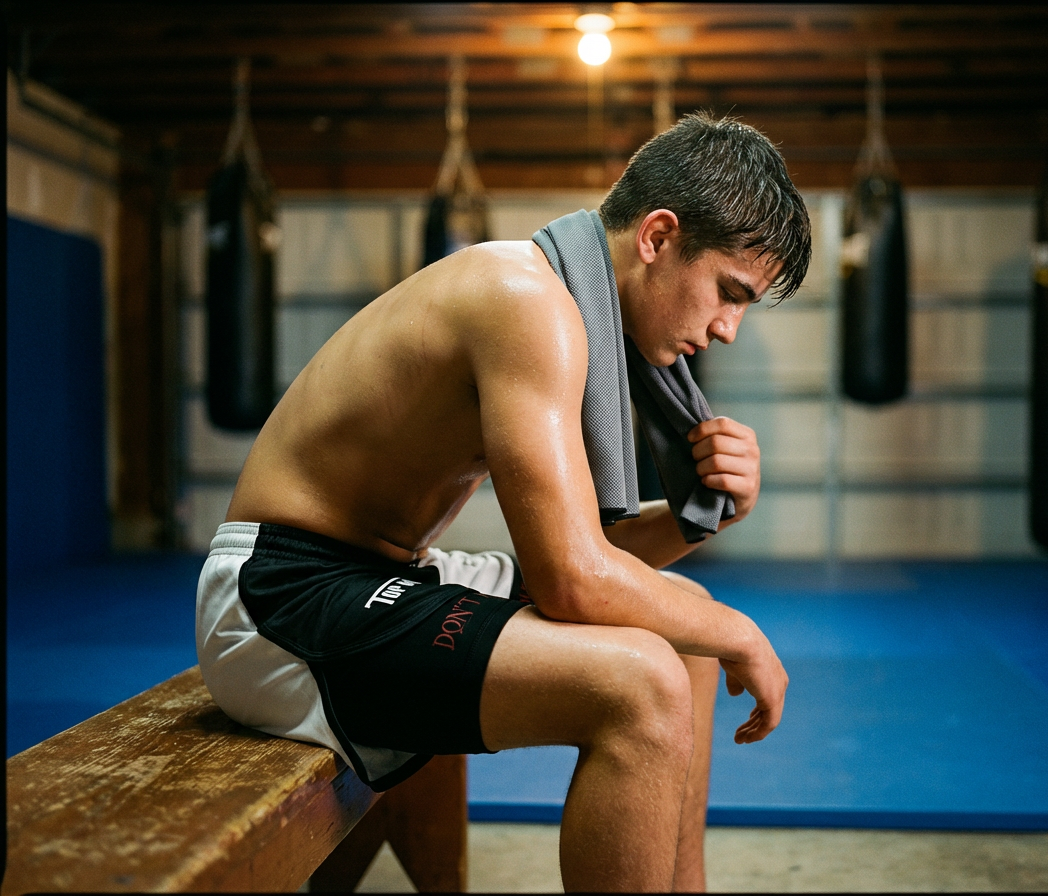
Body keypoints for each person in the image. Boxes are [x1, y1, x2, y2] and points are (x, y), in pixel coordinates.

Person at [196, 112, 811, 892]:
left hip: (383, 580)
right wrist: (744, 633)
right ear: (658, 236)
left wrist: (715, 512)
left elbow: (584, 562)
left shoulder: (556, 296)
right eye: (730, 292)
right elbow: (572, 582)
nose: (728, 329)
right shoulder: (528, 302)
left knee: (679, 635)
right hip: (280, 601)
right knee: (641, 681)